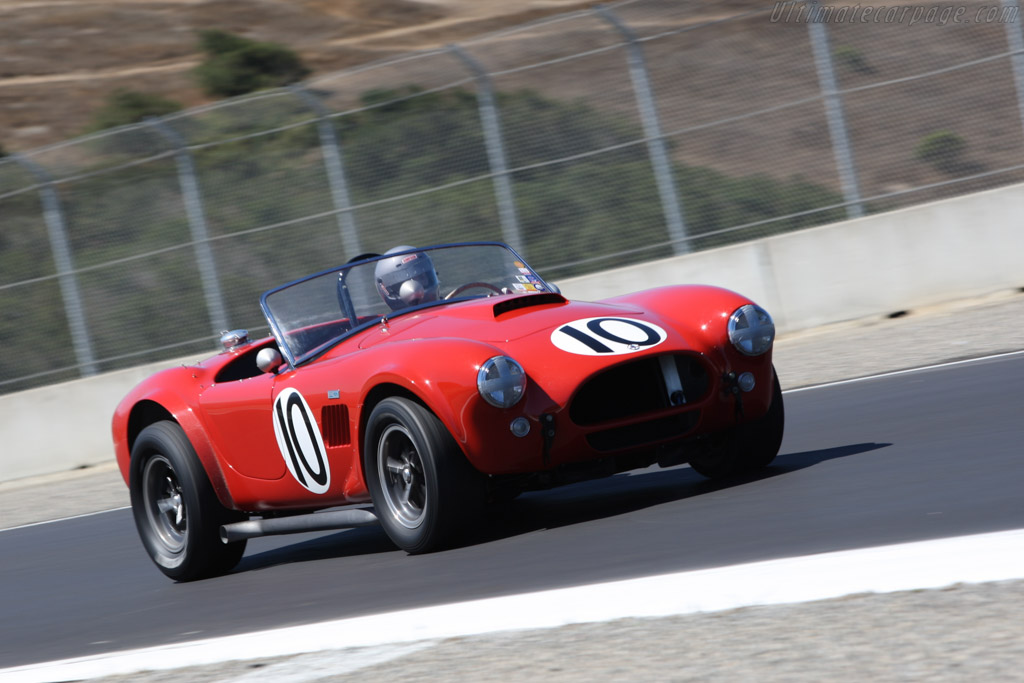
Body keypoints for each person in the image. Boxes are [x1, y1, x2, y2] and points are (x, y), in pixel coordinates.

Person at [374, 246, 440, 310]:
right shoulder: (385, 320)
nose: (416, 289)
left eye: (421, 278)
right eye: (405, 284)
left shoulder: (448, 307)